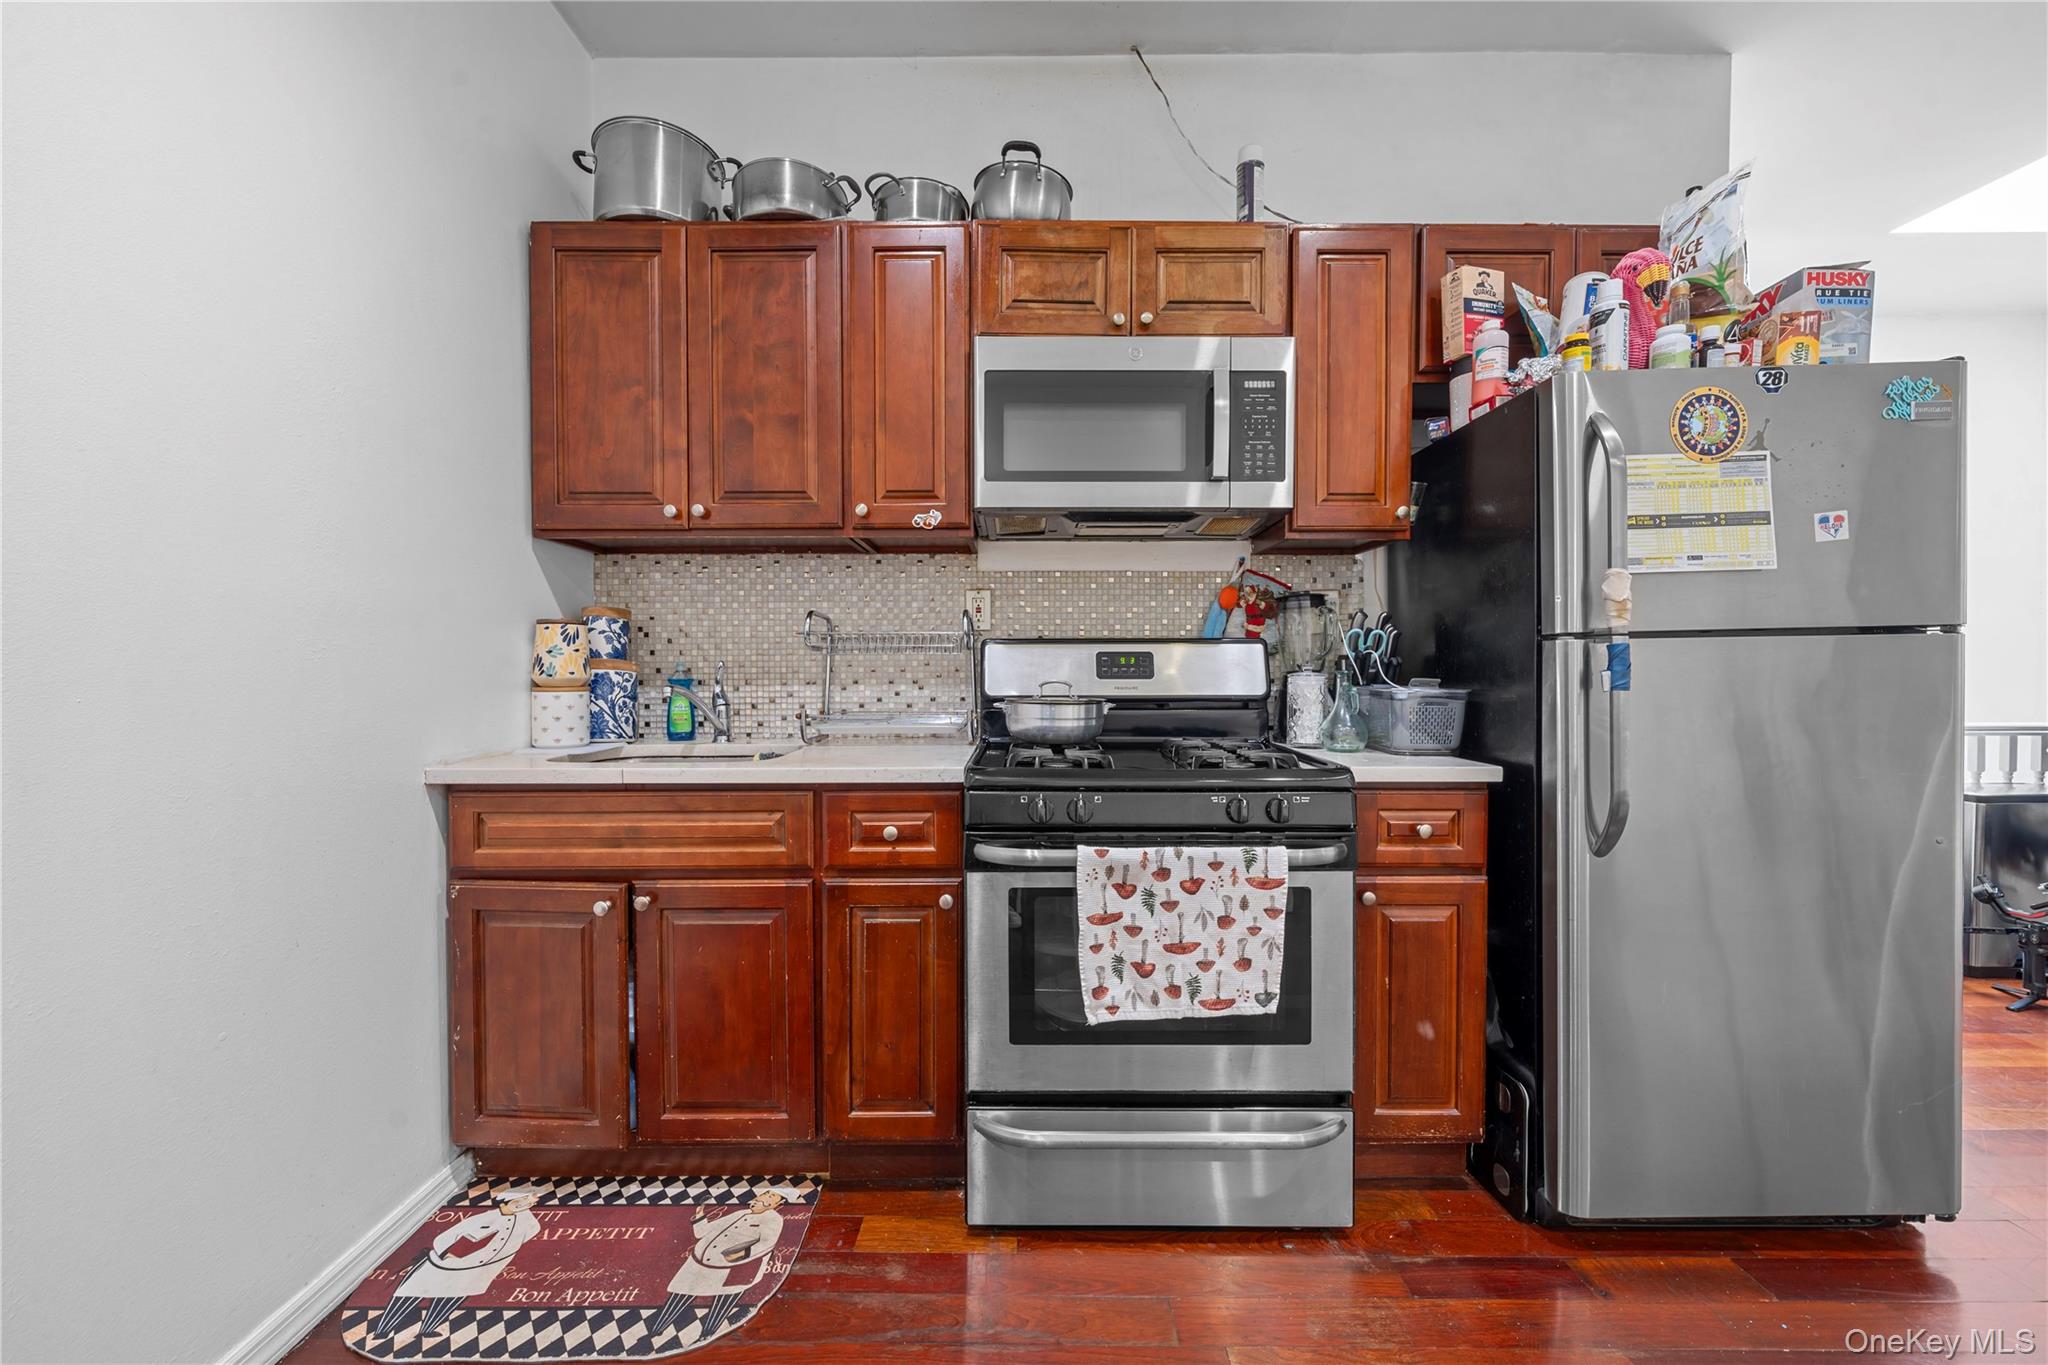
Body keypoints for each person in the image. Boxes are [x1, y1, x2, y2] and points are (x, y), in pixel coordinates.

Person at [372, 1188, 545, 1340]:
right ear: (505, 1201)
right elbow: (449, 1236)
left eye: (527, 1203)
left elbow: (525, 1236)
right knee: (411, 1293)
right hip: (445, 1264)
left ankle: (428, 1329)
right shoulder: (484, 1218)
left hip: (478, 1269)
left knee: (452, 1297)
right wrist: (446, 1254)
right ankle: (382, 1330)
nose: (522, 1205)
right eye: (518, 1202)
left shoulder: (528, 1223)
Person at [649, 1188, 793, 1342]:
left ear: (778, 1203)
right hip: (699, 1264)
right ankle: (655, 1331)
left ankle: (707, 1335)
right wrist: (700, 1213)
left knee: (722, 1304)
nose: (764, 1197)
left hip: (733, 1268)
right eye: (764, 1194)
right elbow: (702, 1232)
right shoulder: (740, 1214)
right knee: (680, 1294)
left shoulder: (774, 1219)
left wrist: (740, 1255)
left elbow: (767, 1243)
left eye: (771, 1196)